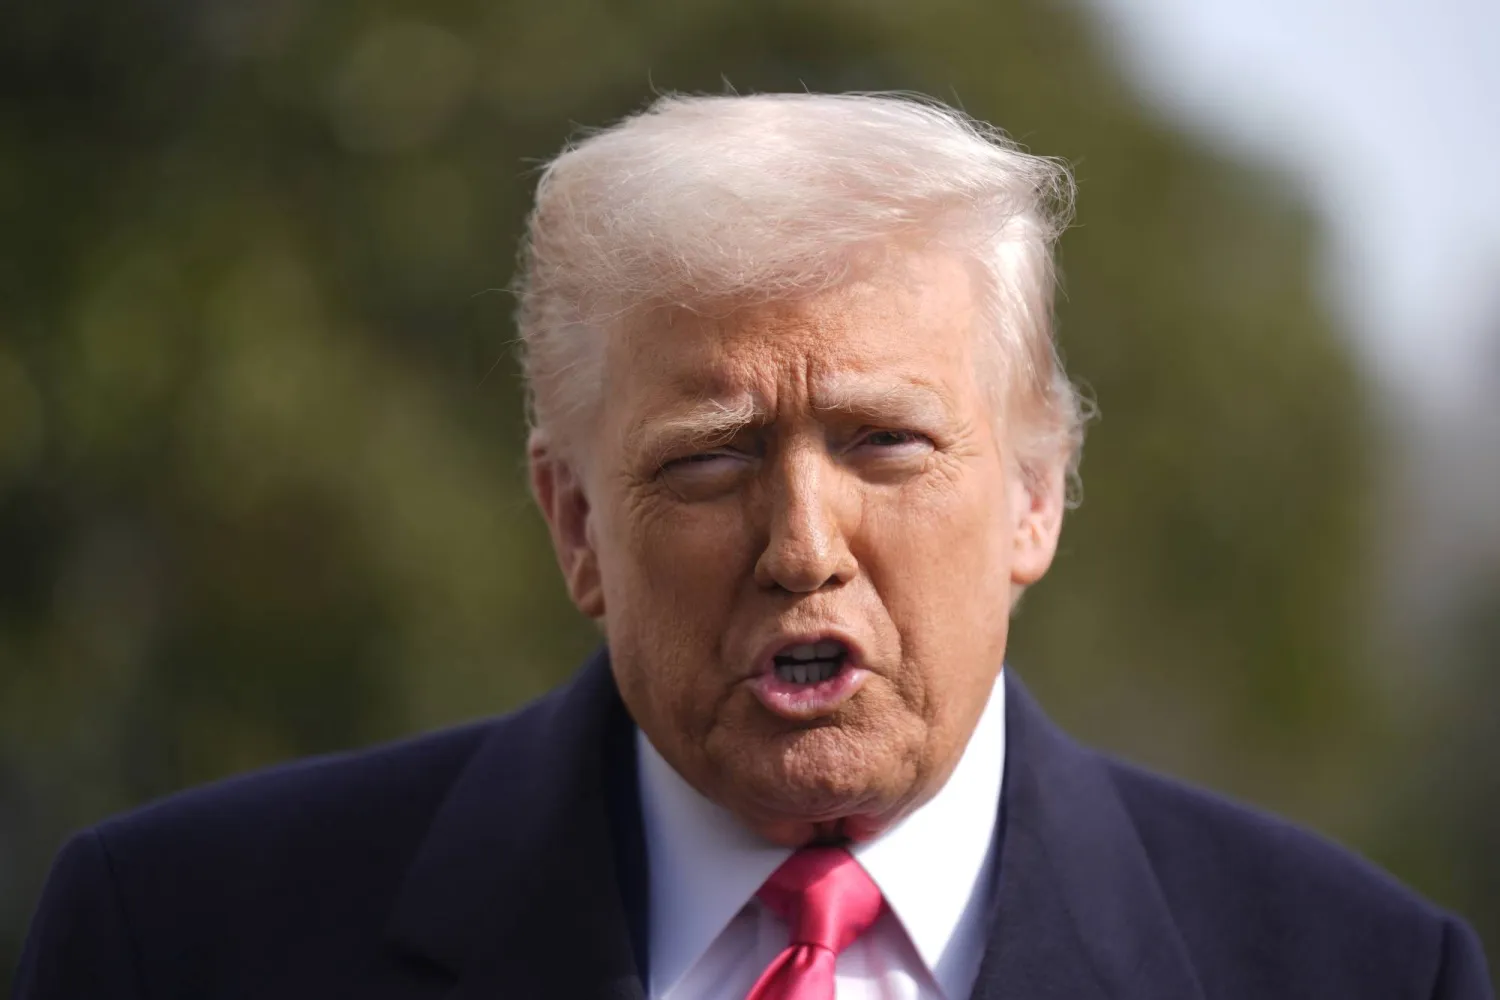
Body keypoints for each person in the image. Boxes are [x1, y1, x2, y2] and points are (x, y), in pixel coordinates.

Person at [13, 93, 1492, 1000]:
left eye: (884, 444)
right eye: (709, 460)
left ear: (1037, 495)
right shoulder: (185, 944)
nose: (801, 545)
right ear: (577, 523)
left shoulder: (1357, 973)